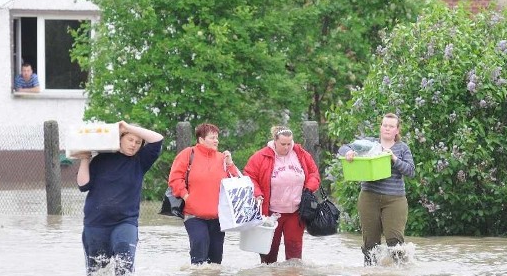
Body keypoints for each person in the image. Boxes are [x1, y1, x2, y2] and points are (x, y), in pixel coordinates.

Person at [76, 121, 164, 276]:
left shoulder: (140, 161)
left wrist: (127, 127)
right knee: (95, 274)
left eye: (138, 142)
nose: (134, 144)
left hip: (125, 222)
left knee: (125, 264)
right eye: (130, 140)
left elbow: (157, 139)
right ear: (119, 140)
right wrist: (85, 159)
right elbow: (83, 185)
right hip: (95, 225)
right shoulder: (101, 159)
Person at [338, 113, 415, 265]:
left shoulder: (402, 148)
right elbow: (343, 147)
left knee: (395, 242)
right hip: (369, 197)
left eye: (391, 126)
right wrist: (348, 153)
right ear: (380, 127)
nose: (387, 128)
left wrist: (394, 159)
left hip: (395, 199)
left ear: (397, 130)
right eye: (384, 125)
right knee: (370, 243)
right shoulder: (370, 143)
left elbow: (411, 171)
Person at [244, 126, 320, 264]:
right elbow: (249, 176)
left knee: (294, 258)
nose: (286, 147)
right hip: (271, 213)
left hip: (296, 212)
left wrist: (309, 188)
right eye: (283, 144)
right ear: (275, 142)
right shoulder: (261, 156)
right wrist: (257, 193)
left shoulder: (301, 154)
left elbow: (314, 173)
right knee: (268, 257)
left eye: (289, 144)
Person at [168, 123, 240, 265]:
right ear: (201, 139)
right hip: (194, 215)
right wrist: (186, 196)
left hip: (218, 217)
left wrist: (230, 164)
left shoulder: (222, 158)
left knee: (215, 262)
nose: (216, 141)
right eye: (212, 137)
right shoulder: (188, 154)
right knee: (199, 254)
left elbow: (237, 183)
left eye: (217, 138)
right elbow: (175, 178)